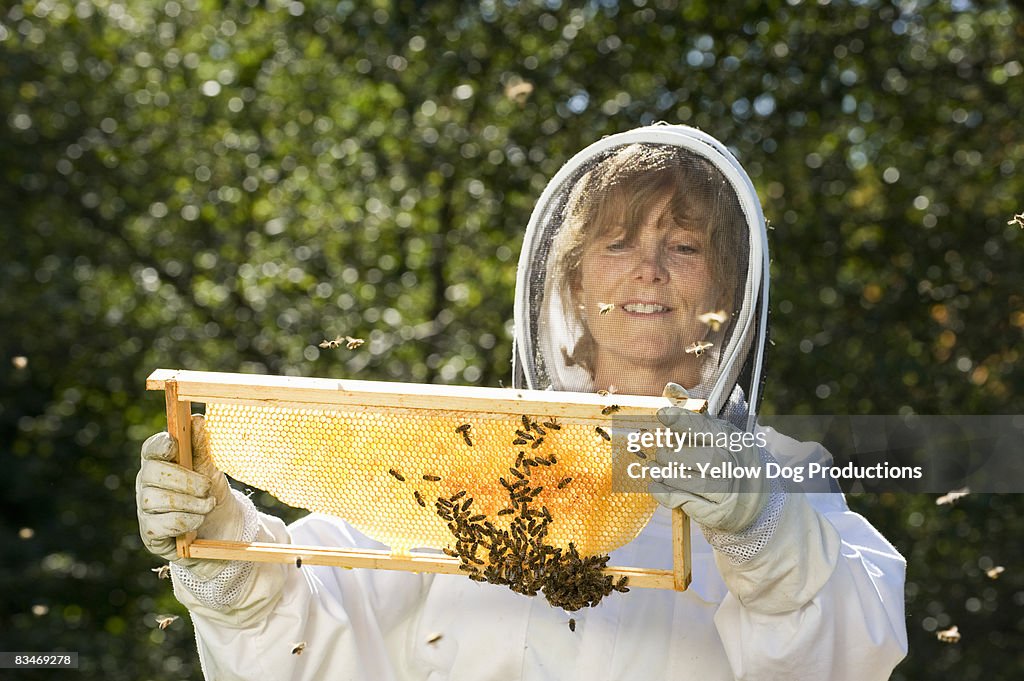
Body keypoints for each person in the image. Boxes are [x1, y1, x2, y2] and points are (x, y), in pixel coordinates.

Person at [137, 124, 908, 680]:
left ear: (727, 286)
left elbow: (845, 652)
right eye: (616, 243)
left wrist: (762, 529)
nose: (647, 270)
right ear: (573, 279)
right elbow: (307, 640)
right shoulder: (474, 458)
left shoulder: (783, 473)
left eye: (683, 244)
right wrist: (225, 544)